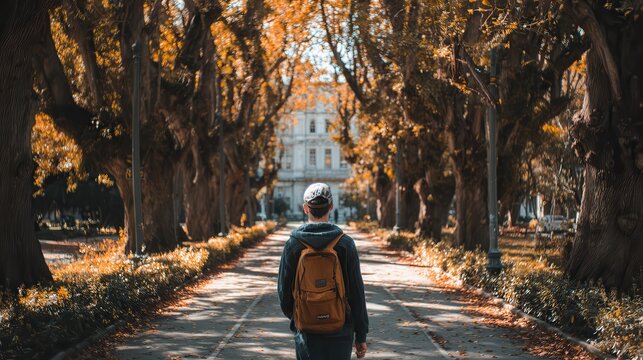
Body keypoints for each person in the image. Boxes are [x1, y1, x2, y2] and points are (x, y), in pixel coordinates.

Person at [278, 183, 369, 359]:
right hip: (341, 328)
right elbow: (357, 292)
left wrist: (299, 316)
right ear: (331, 207)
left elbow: (283, 292)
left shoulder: (293, 244)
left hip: (306, 330)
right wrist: (361, 335)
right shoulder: (345, 243)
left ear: (305, 208)